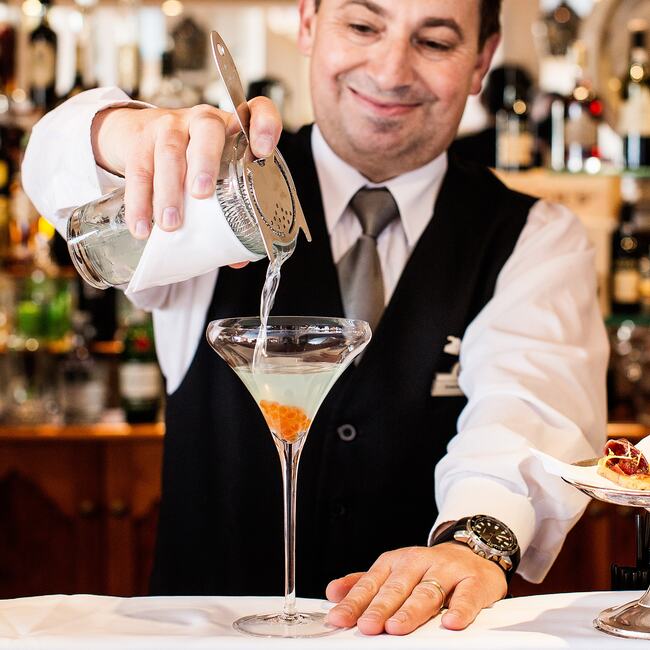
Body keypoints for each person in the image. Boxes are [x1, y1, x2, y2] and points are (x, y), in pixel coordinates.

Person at [22, 0, 607, 637]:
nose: (390, 69)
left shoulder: (533, 238)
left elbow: (529, 409)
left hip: (415, 638)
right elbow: (57, 165)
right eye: (362, 26)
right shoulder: (213, 195)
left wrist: (470, 544)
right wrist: (124, 136)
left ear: (481, 62)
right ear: (308, 24)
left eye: (435, 42)